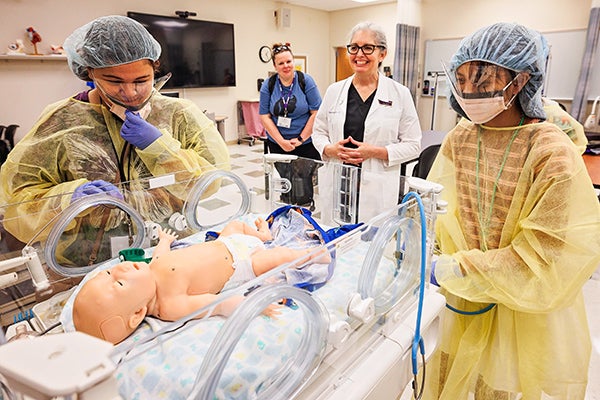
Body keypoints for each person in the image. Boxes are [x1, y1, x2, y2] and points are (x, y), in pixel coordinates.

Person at [426, 22, 600, 399]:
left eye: (482, 77)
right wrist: (422, 246)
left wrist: (452, 268)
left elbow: (540, 257)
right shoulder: (461, 136)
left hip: (518, 304)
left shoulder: (550, 153)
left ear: (520, 81)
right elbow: (438, 206)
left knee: (497, 387)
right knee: (441, 379)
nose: (469, 91)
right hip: (459, 294)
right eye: (462, 78)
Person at [0, 16, 229, 261]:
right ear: (90, 72)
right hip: (88, 263)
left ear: (155, 69)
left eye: (141, 81)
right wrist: (69, 199)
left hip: (170, 247)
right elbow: (16, 203)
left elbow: (212, 182)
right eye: (114, 81)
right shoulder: (60, 121)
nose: (130, 93)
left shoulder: (179, 114)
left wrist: (161, 149)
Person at [73, 217, 329, 344]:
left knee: (236, 224)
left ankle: (262, 234)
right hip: (242, 265)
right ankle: (307, 254)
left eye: (110, 272)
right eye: (119, 283)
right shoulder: (169, 306)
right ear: (139, 312)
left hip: (225, 242)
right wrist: (254, 304)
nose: (122, 269)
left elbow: (163, 256)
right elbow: (217, 303)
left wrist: (164, 241)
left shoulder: (150, 269)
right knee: (273, 259)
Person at [312, 22, 421, 223]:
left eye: (368, 48)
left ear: (382, 54)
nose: (359, 54)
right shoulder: (334, 91)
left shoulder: (400, 94)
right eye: (353, 48)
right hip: (339, 182)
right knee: (337, 240)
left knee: (370, 243)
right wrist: (330, 149)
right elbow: (318, 132)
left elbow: (413, 145)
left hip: (377, 186)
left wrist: (375, 152)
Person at [259, 42, 323, 208]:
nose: (285, 66)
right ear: (275, 66)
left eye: (288, 61)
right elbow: (265, 116)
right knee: (285, 181)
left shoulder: (305, 81)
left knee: (301, 182)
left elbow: (317, 112)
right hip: (278, 144)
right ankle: (287, 212)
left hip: (305, 143)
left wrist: (301, 139)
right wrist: (281, 141)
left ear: (293, 61)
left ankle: (304, 212)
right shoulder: (269, 84)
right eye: (281, 63)